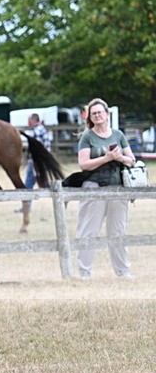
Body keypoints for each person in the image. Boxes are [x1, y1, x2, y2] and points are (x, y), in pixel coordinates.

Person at [75, 98, 137, 280]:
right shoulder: (87, 137)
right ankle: (84, 273)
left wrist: (119, 158)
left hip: (117, 186)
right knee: (89, 230)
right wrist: (107, 158)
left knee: (118, 230)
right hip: (94, 187)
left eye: (100, 112)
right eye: (93, 113)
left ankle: (123, 271)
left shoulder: (118, 135)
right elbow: (84, 164)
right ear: (90, 117)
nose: (97, 116)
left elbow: (131, 160)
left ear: (107, 114)